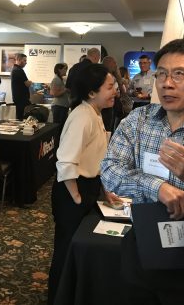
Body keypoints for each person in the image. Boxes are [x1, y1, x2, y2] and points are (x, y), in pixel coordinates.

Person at [101, 38, 184, 305]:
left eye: (179, 74)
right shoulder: (138, 121)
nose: (167, 83)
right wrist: (156, 187)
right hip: (142, 246)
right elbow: (110, 170)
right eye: (161, 74)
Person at [48, 63, 119, 304]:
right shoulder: (81, 116)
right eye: (110, 87)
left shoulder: (95, 112)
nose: (115, 91)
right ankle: (58, 297)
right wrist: (77, 197)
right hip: (72, 189)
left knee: (78, 247)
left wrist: (103, 190)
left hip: (86, 186)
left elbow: (96, 158)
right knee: (67, 250)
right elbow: (66, 162)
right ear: (91, 92)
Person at [10, 53, 33, 120]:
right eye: (24, 60)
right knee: (23, 118)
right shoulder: (19, 70)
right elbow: (27, 84)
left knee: (21, 117)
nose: (26, 63)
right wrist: (30, 82)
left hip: (18, 98)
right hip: (22, 99)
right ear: (19, 60)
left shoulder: (15, 69)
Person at [49, 63, 70, 127]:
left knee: (61, 126)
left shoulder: (61, 79)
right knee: (58, 127)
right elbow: (54, 93)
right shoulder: (56, 79)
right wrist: (65, 90)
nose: (66, 70)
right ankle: (57, 137)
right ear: (59, 69)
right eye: (65, 69)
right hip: (59, 107)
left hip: (62, 106)